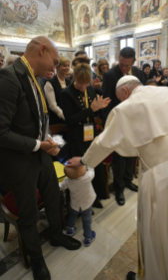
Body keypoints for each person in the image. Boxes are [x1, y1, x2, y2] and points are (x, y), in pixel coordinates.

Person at [68, 75, 168, 280]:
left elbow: (103, 143)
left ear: (126, 92)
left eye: (121, 98)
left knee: (165, 236)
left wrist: (83, 161)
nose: (122, 103)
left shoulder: (131, 104)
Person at [0, 36, 81, 280]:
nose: (55, 69)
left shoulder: (35, 78)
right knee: (28, 214)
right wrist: (38, 144)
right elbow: (1, 132)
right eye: (54, 62)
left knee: (53, 195)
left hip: (40, 153)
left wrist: (48, 142)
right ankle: (37, 260)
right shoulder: (9, 78)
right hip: (20, 160)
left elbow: (37, 117)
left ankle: (56, 235)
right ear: (41, 50)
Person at [61, 56, 111, 208]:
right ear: (74, 77)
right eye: (80, 83)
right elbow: (69, 119)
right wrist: (91, 110)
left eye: (86, 83)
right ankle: (82, 201)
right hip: (76, 137)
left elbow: (92, 110)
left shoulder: (90, 88)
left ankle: (95, 195)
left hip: (90, 133)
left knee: (94, 162)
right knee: (81, 169)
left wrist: (99, 109)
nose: (84, 86)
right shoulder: (66, 93)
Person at [102, 47, 143, 206]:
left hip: (134, 121)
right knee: (119, 157)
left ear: (133, 62)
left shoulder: (138, 73)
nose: (124, 68)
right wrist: (110, 123)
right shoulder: (109, 75)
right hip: (119, 121)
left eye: (127, 65)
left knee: (132, 152)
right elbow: (107, 101)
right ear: (118, 59)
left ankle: (127, 180)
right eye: (121, 64)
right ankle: (119, 189)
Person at [60, 165, 96, 246]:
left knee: (72, 216)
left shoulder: (67, 180)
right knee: (86, 221)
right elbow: (92, 171)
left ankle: (70, 229)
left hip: (74, 204)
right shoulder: (87, 177)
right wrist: (89, 165)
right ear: (78, 175)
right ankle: (88, 237)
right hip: (86, 204)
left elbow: (61, 186)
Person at [44, 56, 70, 125]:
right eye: (64, 66)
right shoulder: (50, 83)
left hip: (69, 118)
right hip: (57, 120)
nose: (67, 68)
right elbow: (52, 105)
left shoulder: (69, 82)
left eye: (68, 66)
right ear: (57, 66)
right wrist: (64, 116)